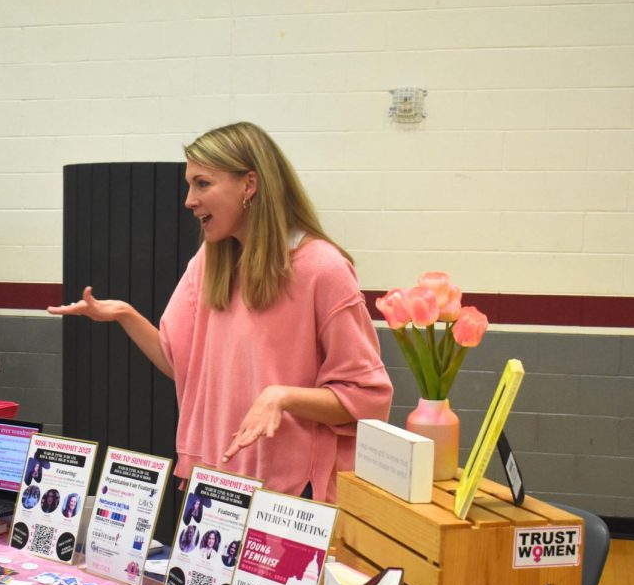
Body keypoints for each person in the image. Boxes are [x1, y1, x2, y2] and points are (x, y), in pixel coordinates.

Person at [49, 122, 392, 502]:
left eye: (203, 183)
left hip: (291, 495)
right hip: (218, 487)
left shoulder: (322, 268)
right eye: (189, 185)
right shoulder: (209, 262)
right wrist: (126, 315)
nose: (189, 200)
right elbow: (180, 363)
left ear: (249, 184)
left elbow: (367, 398)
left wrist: (283, 397)